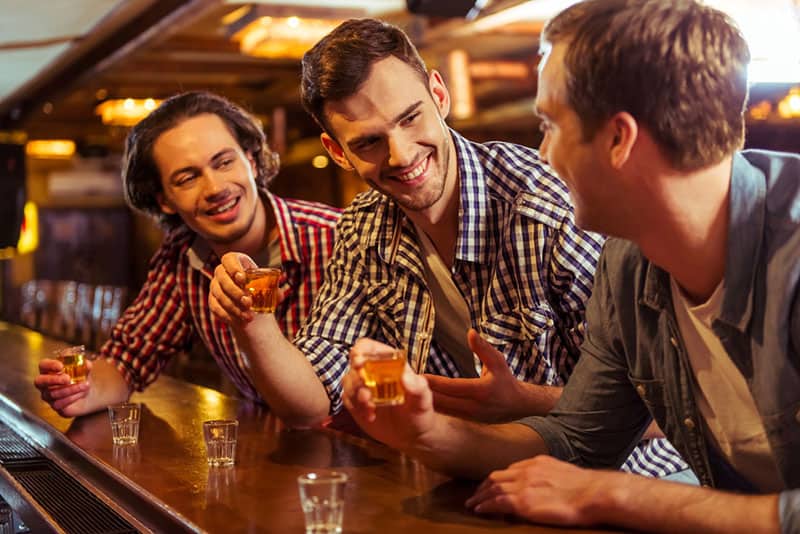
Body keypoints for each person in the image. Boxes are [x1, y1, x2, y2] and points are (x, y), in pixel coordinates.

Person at [341, 0, 800, 531]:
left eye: (549, 124)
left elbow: (597, 479)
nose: (542, 152)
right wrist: (422, 432)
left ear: (618, 139)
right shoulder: (629, 262)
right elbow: (578, 439)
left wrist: (621, 496)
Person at [209, 18, 690, 479]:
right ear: (338, 151)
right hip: (493, 476)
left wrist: (524, 401)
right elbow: (310, 403)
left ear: (439, 95)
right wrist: (252, 322)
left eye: (410, 118)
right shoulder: (363, 229)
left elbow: (668, 408)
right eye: (370, 142)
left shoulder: (547, 209)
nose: (401, 156)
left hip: (636, 478)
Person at [34, 91, 341, 419]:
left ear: (250, 161)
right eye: (187, 178)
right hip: (274, 446)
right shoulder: (182, 258)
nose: (214, 188)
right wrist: (81, 391)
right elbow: (126, 362)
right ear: (164, 200)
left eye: (224, 162)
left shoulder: (335, 237)